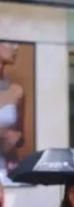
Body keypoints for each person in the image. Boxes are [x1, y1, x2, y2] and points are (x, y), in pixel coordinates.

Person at [0, 42, 24, 177]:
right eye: (10, 43)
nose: (16, 47)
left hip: (6, 167)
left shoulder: (17, 91)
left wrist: (17, 137)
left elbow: (21, 138)